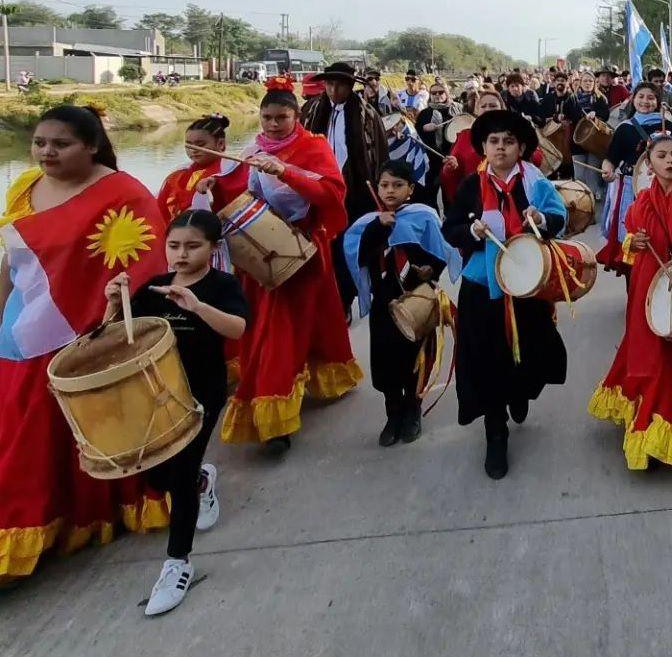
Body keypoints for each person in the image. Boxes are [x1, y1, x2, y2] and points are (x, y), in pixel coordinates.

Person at [0, 105, 172, 583]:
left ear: (92, 145)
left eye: (61, 144)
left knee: (53, 433)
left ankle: (27, 537)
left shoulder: (124, 193)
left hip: (82, 337)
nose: (46, 152)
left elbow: (145, 264)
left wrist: (107, 323)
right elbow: (13, 265)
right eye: (39, 143)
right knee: (17, 431)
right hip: (20, 333)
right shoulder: (23, 189)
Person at [104, 210, 248, 615]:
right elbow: (119, 337)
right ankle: (204, 478)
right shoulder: (153, 287)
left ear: (213, 248)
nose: (181, 255)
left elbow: (237, 328)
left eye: (192, 246)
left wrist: (198, 306)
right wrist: (114, 305)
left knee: (179, 475)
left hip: (202, 392)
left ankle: (177, 562)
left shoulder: (222, 285)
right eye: (173, 246)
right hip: (156, 395)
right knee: (155, 472)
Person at [201, 88, 360, 450]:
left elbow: (332, 194)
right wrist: (212, 186)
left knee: (281, 331)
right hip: (260, 251)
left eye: (281, 118)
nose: (273, 125)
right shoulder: (251, 150)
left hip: (301, 251)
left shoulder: (314, 148)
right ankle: (302, 383)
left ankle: (275, 415)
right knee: (282, 325)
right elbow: (236, 193)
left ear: (296, 117)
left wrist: (287, 172)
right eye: (267, 118)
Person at [589, 133, 672, 470]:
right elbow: (630, 237)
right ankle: (645, 418)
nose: (669, 161)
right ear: (649, 163)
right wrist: (634, 243)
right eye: (662, 155)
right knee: (646, 347)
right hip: (648, 283)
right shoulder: (642, 199)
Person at [442, 111, 569, 478]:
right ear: (483, 147)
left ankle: (520, 392)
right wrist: (472, 233)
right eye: (494, 141)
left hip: (528, 285)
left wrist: (541, 220)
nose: (501, 148)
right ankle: (495, 432)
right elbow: (451, 227)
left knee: (529, 352)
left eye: (509, 141)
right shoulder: (470, 186)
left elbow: (559, 216)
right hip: (483, 287)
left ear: (522, 148)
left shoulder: (534, 182)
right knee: (487, 359)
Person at [343, 161, 459, 447]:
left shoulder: (424, 216)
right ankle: (392, 413)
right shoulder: (367, 222)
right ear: (377, 187)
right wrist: (376, 229)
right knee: (385, 360)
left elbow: (439, 254)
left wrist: (430, 270)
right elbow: (356, 256)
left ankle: (413, 410)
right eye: (384, 185)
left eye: (397, 185)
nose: (390, 190)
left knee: (414, 357)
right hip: (384, 299)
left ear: (410, 189)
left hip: (416, 297)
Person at [301, 62, 388, 316]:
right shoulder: (311, 110)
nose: (333, 89)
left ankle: (346, 299)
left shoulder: (367, 116)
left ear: (350, 86)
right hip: (318, 189)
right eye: (329, 83)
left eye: (339, 84)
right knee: (320, 245)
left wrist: (380, 189)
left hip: (356, 192)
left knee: (349, 246)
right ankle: (323, 299)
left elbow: (379, 154)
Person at [597, 82, 672, 276]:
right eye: (641, 97)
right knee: (636, 240)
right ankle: (634, 285)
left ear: (657, 102)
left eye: (650, 97)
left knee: (664, 239)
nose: (645, 101)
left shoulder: (668, 125)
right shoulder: (624, 128)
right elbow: (610, 159)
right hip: (632, 189)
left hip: (666, 191)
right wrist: (607, 171)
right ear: (633, 99)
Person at [158, 114, 229, 221]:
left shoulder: (229, 169)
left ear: (220, 144)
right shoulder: (181, 173)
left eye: (200, 145)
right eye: (189, 146)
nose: (193, 150)